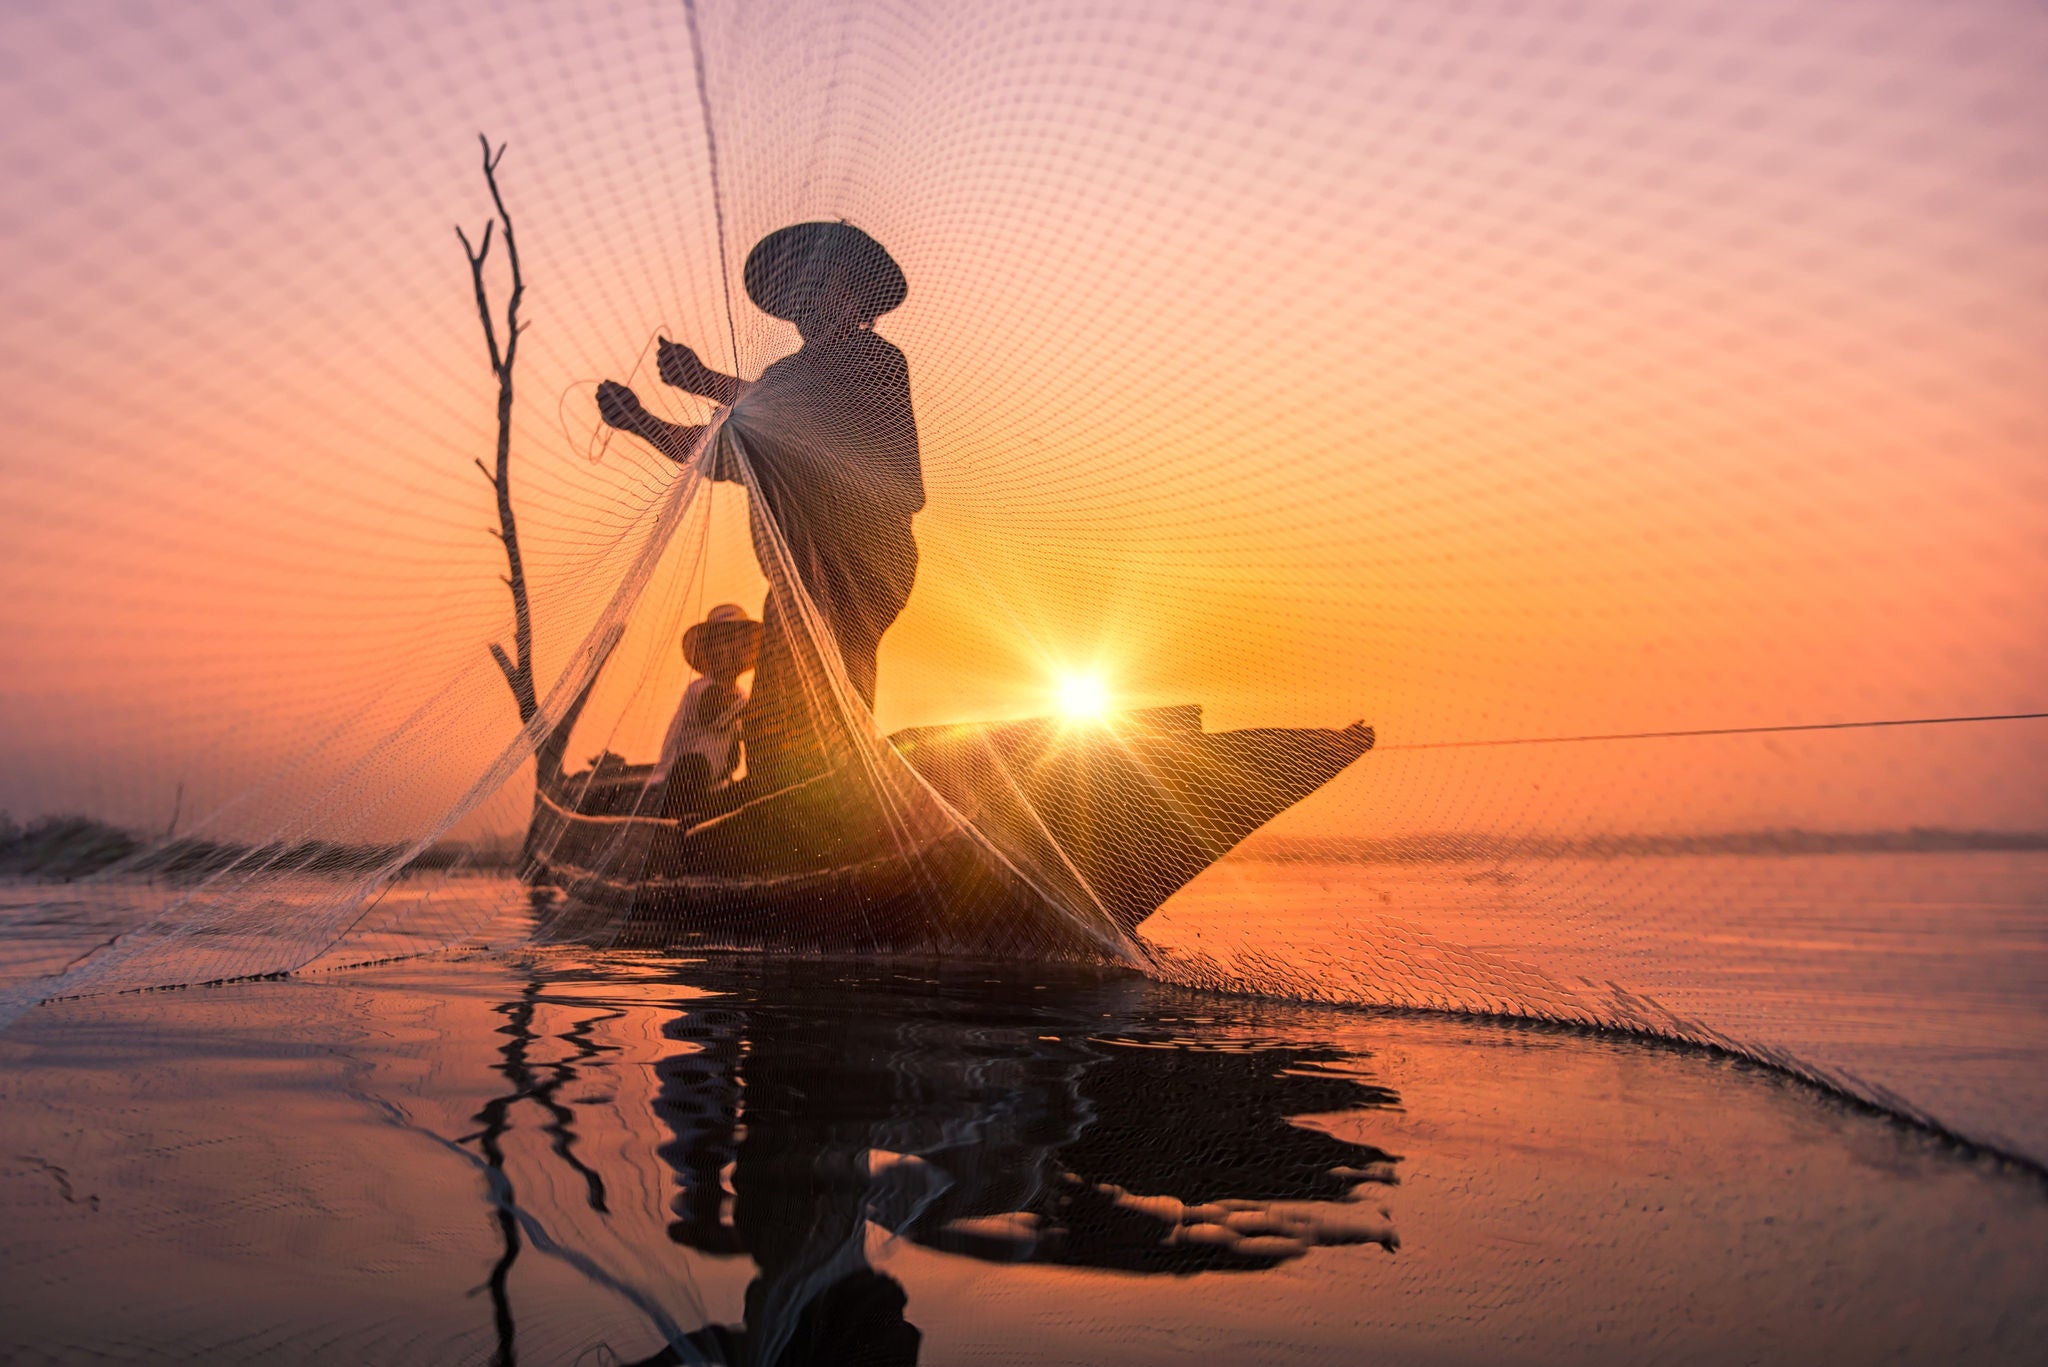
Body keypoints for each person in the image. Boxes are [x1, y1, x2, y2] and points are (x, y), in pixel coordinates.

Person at [598, 222, 923, 788]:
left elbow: (788, 411)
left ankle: (835, 812)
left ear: (852, 294)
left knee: (833, 702)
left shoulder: (876, 360)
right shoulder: (784, 377)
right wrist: (644, 419)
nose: (804, 305)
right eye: (796, 296)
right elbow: (734, 441)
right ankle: (795, 818)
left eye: (818, 288)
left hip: (860, 562)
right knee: (778, 722)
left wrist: (697, 383)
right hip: (799, 574)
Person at [655, 604, 759, 813]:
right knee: (694, 766)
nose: (729, 650)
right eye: (721, 643)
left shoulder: (740, 694)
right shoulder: (702, 690)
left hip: (713, 789)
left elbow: (744, 734)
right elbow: (722, 713)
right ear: (709, 651)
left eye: (736, 642)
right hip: (679, 786)